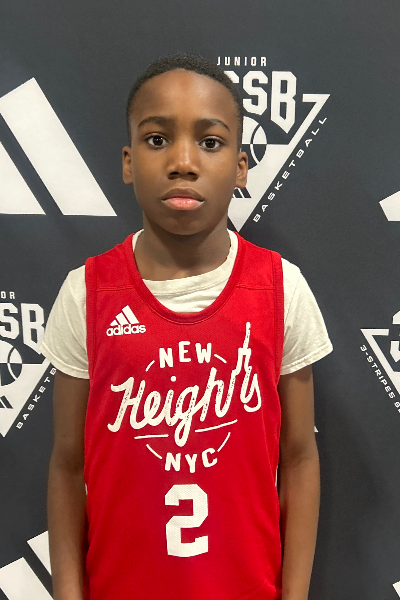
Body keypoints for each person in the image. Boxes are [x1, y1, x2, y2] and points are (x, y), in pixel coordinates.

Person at [41, 54, 332, 600]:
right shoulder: (87, 293)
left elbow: (299, 457)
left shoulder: (280, 289)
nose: (182, 162)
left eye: (210, 141)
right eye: (157, 140)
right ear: (128, 162)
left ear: (241, 167)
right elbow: (66, 465)